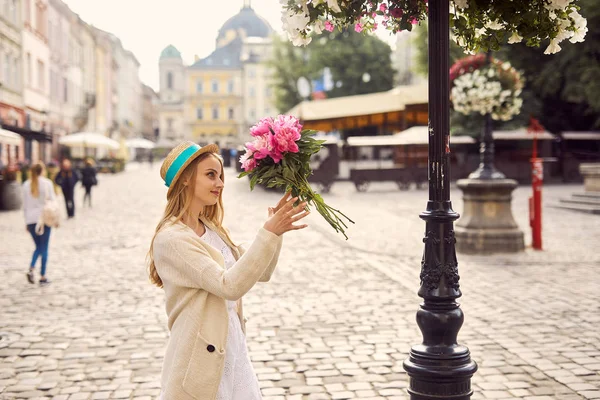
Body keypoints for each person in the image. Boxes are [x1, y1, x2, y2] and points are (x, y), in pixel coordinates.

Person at [148, 141, 309, 400]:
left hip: (231, 347)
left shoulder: (210, 227)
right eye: (211, 175)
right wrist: (268, 232)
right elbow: (229, 286)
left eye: (220, 176)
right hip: (198, 359)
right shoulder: (171, 239)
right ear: (186, 179)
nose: (221, 183)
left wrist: (275, 232)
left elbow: (261, 272)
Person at [22, 162, 55, 286]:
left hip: (31, 220)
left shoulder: (26, 185)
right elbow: (52, 201)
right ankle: (42, 276)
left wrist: (26, 222)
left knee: (38, 247)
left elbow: (24, 206)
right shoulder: (47, 183)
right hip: (44, 219)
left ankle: (31, 269)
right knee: (44, 247)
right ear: (42, 170)